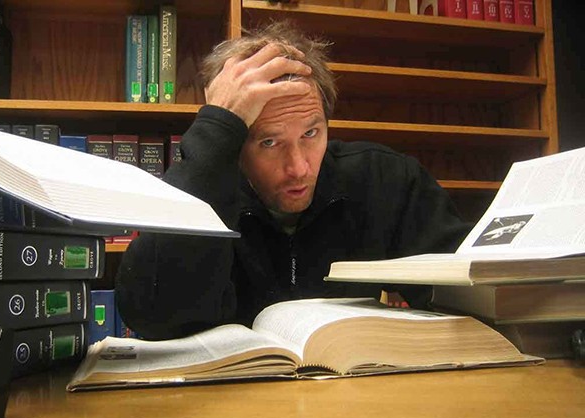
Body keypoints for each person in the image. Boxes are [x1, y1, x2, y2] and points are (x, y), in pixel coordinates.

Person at [115, 21, 471, 340]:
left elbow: (470, 298)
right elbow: (152, 317)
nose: (299, 168)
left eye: (311, 133)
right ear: (235, 143)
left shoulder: (385, 179)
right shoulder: (205, 186)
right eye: (269, 142)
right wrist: (216, 126)